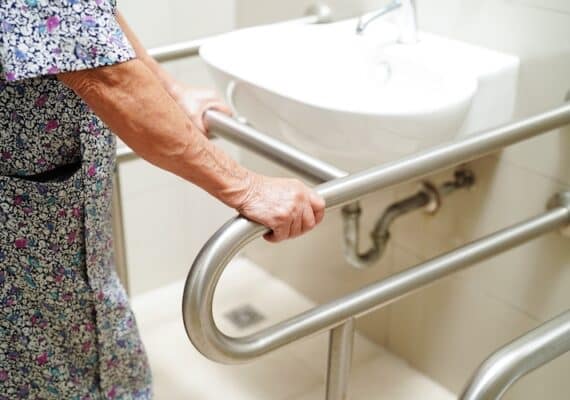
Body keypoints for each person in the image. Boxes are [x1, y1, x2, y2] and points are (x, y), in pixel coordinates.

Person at [0, 1, 325, 398]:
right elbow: (105, 74)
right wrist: (247, 188)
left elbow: (89, 19)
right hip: (22, 240)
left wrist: (173, 91)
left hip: (46, 201)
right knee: (58, 374)